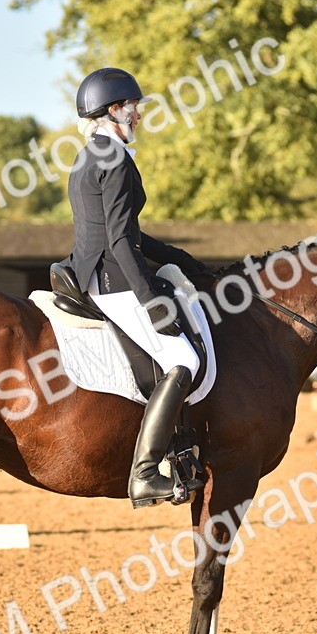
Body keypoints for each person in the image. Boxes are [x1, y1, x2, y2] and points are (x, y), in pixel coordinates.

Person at [61, 67, 212, 508]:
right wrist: (150, 302)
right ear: (113, 110)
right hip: (114, 280)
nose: (138, 116)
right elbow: (121, 242)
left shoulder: (91, 153)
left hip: (91, 270)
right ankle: (145, 473)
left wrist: (181, 259)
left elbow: (126, 233)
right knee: (183, 357)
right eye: (133, 107)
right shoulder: (116, 159)